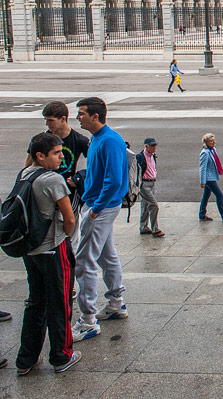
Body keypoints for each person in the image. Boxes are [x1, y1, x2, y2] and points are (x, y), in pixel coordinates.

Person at [15, 132, 81, 375]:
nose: (61, 157)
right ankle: (62, 355)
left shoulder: (25, 174)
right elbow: (69, 218)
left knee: (36, 301)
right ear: (40, 156)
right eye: (56, 153)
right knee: (60, 302)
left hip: (30, 250)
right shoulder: (52, 179)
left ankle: (26, 359)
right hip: (53, 248)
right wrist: (65, 235)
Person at [72, 97, 128, 342]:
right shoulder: (98, 139)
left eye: (82, 113)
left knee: (84, 262)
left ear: (96, 116)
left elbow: (114, 180)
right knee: (107, 255)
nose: (78, 117)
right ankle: (116, 303)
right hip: (100, 205)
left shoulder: (109, 140)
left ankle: (87, 321)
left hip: (99, 207)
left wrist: (95, 209)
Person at [25, 101, 91, 193]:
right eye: (46, 120)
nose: (47, 124)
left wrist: (81, 176)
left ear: (63, 119)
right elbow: (28, 167)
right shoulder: (39, 140)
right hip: (43, 188)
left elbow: (96, 163)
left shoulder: (80, 140)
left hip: (67, 189)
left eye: (51, 120)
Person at [198, 133, 223, 222]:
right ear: (206, 142)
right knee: (219, 195)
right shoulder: (205, 153)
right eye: (211, 141)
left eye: (214, 140)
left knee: (206, 195)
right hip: (209, 178)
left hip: (212, 176)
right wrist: (202, 181)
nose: (214, 142)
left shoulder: (213, 150)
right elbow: (202, 168)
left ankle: (202, 214)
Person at [135, 138, 164, 237]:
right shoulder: (140, 157)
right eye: (152, 145)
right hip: (144, 184)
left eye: (155, 145)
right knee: (154, 205)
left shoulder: (153, 156)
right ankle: (155, 229)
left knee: (145, 205)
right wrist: (139, 184)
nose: (154, 147)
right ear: (146, 146)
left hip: (152, 183)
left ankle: (143, 227)